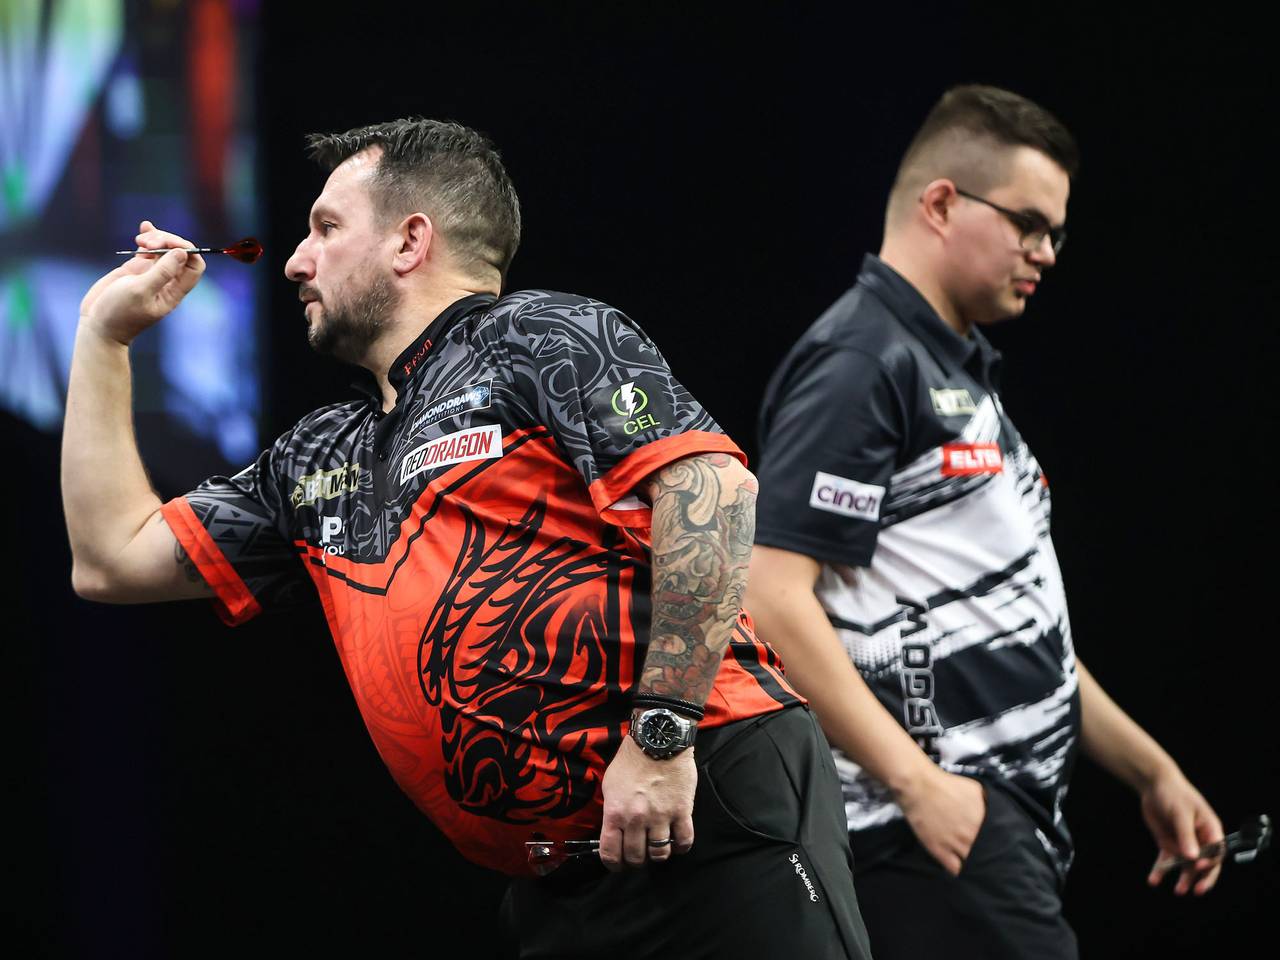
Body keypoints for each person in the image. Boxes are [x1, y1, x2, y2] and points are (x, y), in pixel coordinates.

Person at [61, 117, 871, 959]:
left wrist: (661, 737)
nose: (297, 262)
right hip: (561, 887)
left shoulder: (538, 334)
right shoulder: (317, 456)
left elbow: (712, 491)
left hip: (704, 803)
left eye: (326, 228)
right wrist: (102, 337)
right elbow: (111, 558)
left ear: (411, 241)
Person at [746, 85, 1223, 960]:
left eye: (1056, 234)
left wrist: (1152, 771)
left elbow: (1014, 625)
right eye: (1028, 224)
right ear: (940, 204)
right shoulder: (864, 360)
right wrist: (916, 784)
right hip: (923, 836)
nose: (1045, 253)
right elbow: (769, 596)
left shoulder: (952, 371)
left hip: (991, 833)